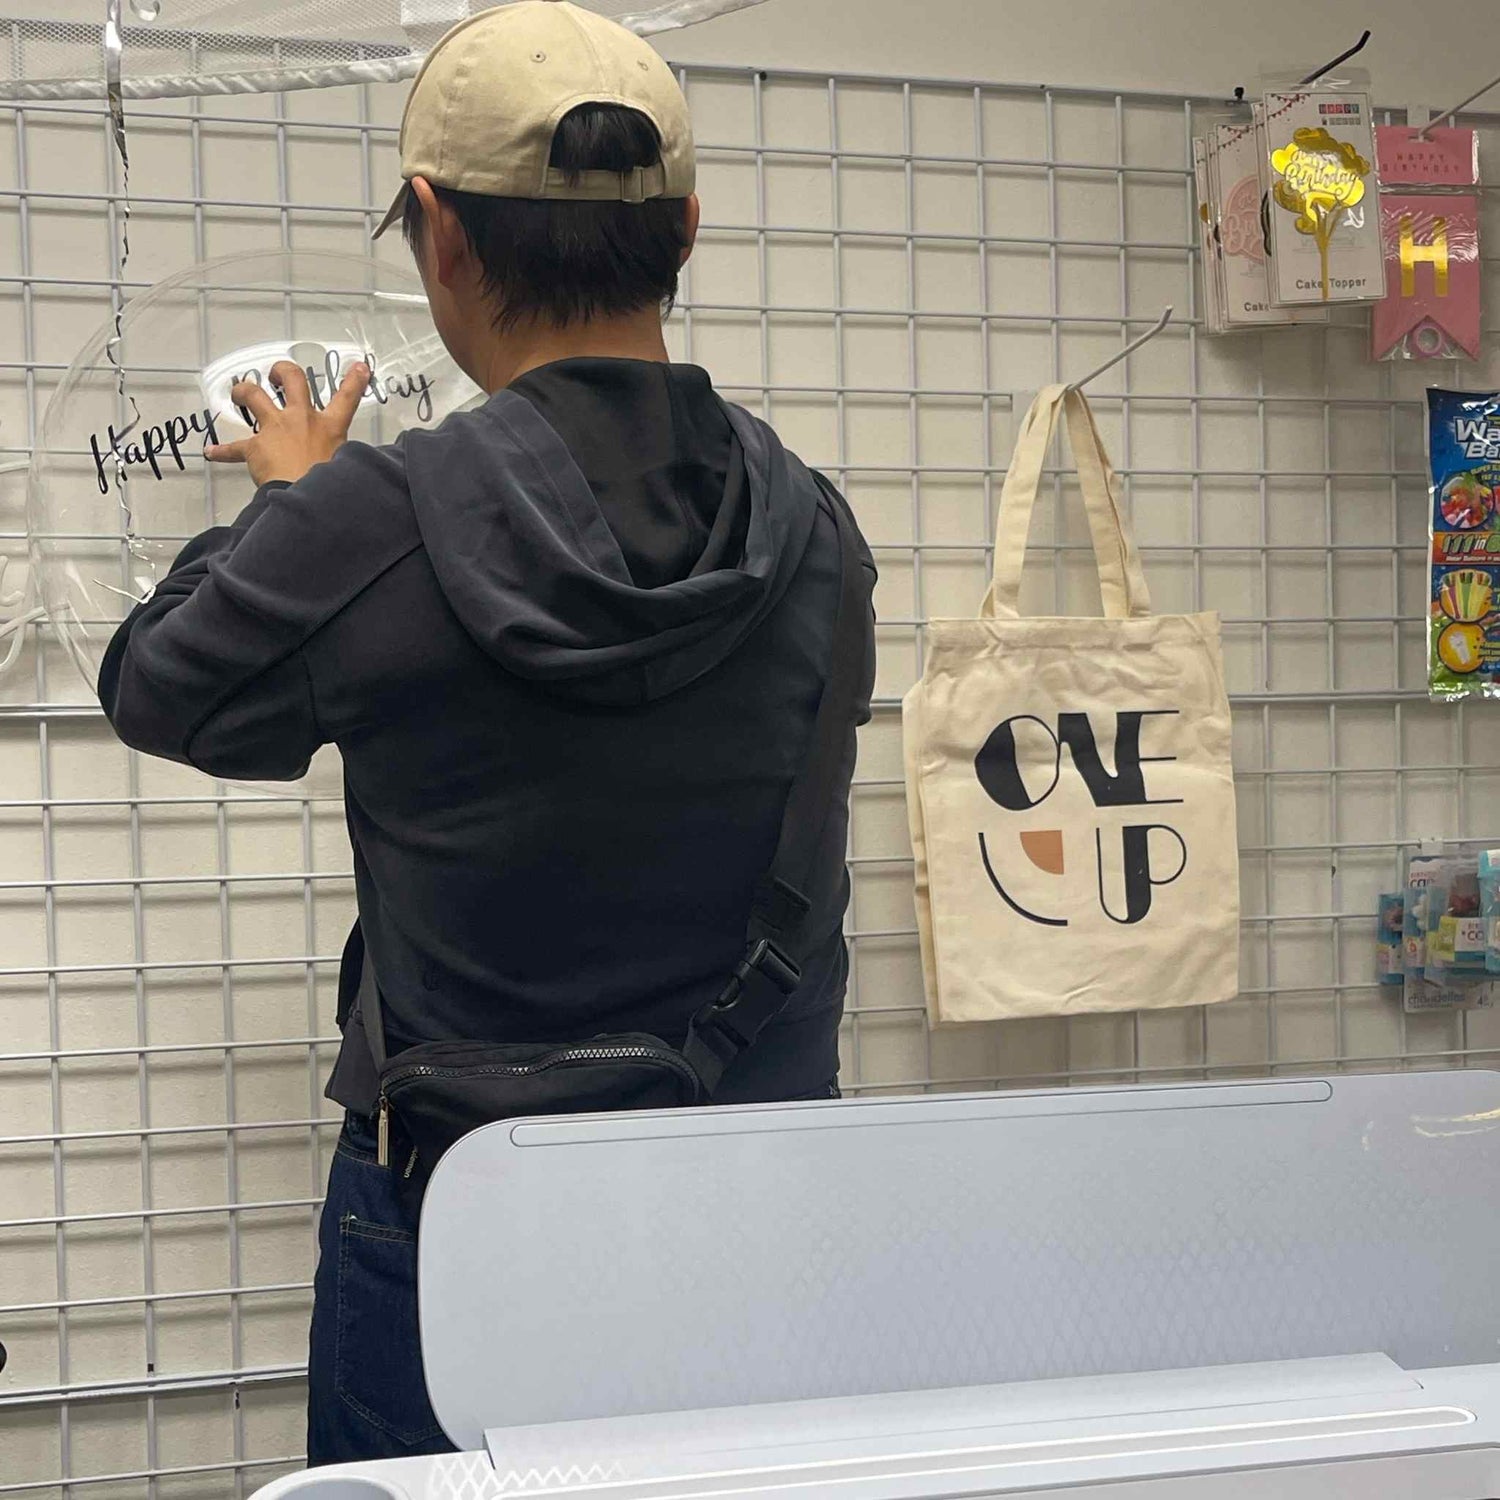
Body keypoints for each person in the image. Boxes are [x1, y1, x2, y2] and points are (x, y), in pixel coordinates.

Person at [97, 0, 876, 1468]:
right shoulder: (816, 528)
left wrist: (291, 500)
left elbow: (157, 684)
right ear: (688, 228)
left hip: (465, 1218)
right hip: (762, 1206)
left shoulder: (371, 522)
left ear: (440, 235)